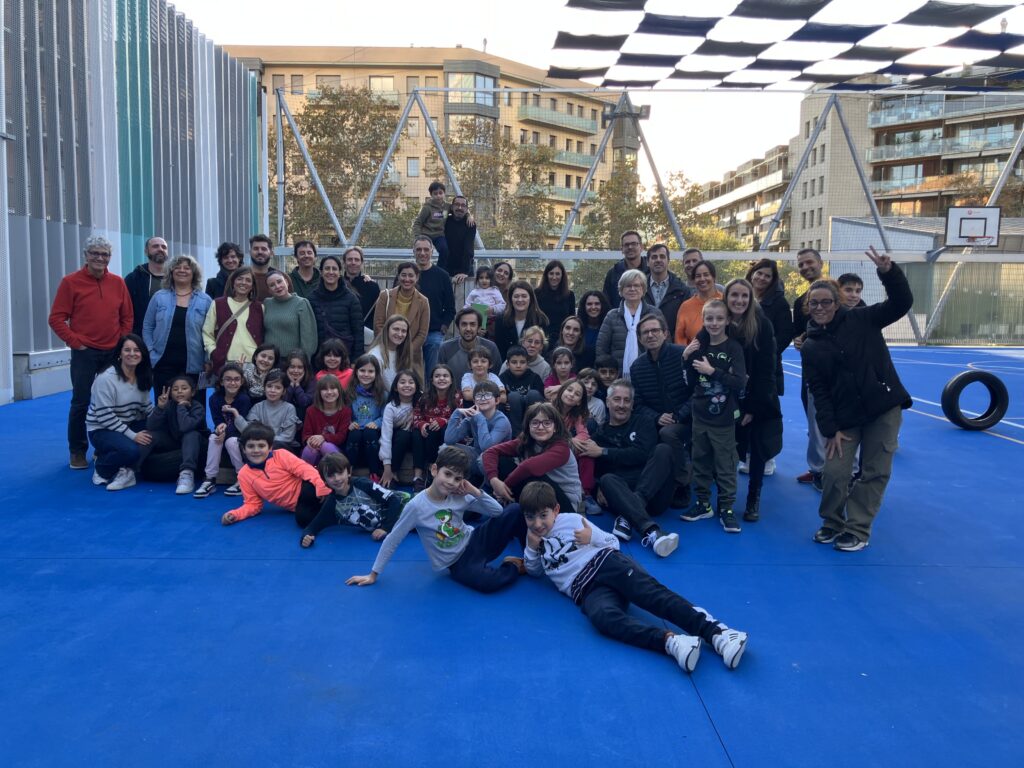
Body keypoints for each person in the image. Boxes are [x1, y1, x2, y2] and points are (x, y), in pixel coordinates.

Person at [520, 481, 748, 672]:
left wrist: (592, 537)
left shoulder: (571, 521)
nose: (537, 524)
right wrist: (531, 547)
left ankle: (718, 633)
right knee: (603, 618)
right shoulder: (533, 539)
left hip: (606, 564)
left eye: (543, 515)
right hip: (587, 590)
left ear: (556, 510)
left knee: (653, 596)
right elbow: (534, 570)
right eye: (530, 517)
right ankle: (672, 642)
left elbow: (612, 542)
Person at [801, 246, 913, 552]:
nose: (820, 307)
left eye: (826, 301)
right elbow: (819, 390)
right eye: (814, 303)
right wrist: (830, 429)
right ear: (808, 307)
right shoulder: (811, 346)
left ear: (837, 303)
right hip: (846, 417)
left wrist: (889, 273)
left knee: (874, 471)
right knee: (835, 472)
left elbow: (901, 303)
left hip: (883, 408)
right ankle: (832, 521)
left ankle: (857, 528)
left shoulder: (863, 318)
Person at [345, 445, 526, 593]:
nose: (451, 482)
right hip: (458, 562)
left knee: (516, 510)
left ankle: (531, 555)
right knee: (489, 583)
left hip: (475, 539)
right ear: (434, 470)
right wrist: (373, 574)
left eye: (457, 479)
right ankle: (513, 565)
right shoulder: (416, 506)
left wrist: (474, 491)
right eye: (447, 474)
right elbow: (393, 539)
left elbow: (497, 511)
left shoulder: (459, 495)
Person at [49, 236, 133, 469]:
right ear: (86, 255)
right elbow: (56, 318)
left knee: (113, 401)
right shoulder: (70, 282)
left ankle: (104, 447)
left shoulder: (118, 283)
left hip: (112, 352)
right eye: (95, 253)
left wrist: (121, 341)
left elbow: (127, 316)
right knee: (81, 402)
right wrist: (76, 342)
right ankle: (77, 451)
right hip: (85, 352)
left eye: (104, 254)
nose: (100, 258)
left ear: (109, 258)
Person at [573, 379, 678, 555]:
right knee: (607, 479)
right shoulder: (599, 434)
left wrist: (604, 452)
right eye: (617, 399)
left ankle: (629, 516)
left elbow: (642, 454)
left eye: (626, 400)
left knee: (663, 450)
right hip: (621, 496)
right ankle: (652, 532)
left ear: (632, 403)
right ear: (608, 402)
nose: (621, 405)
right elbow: (594, 470)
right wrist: (599, 486)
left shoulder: (644, 422)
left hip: (653, 493)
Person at [679, 300, 748, 534]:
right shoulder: (699, 346)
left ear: (727, 320)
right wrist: (685, 358)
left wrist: (713, 372)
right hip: (700, 416)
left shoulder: (733, 348)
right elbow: (689, 381)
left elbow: (739, 382)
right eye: (709, 318)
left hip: (723, 420)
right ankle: (703, 503)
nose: (714, 323)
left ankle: (726, 508)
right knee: (700, 461)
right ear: (703, 319)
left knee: (725, 465)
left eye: (719, 318)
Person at [722, 278, 782, 523]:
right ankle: (726, 497)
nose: (739, 300)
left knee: (757, 450)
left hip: (758, 398)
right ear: (726, 297)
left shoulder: (762, 325)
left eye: (744, 296)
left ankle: (753, 497)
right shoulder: (720, 323)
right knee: (729, 448)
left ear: (750, 299)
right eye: (734, 295)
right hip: (729, 398)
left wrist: (752, 408)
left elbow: (767, 369)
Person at [630, 312, 692, 509]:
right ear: (640, 338)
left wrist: (679, 415)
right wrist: (657, 417)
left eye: (655, 330)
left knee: (668, 434)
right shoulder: (637, 367)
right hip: (657, 421)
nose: (650, 335)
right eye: (645, 332)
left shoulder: (682, 355)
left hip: (689, 419)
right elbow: (638, 404)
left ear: (665, 333)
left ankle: (682, 482)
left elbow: (698, 392)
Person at [221, 422, 331, 527]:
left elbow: (306, 470)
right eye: (250, 446)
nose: (256, 450)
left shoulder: (281, 455)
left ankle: (334, 501)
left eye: (261, 446)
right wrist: (236, 514)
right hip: (298, 504)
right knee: (303, 521)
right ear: (244, 449)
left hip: (308, 487)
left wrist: (321, 486)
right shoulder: (244, 475)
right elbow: (253, 504)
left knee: (320, 492)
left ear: (270, 448)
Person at [482, 401, 583, 515]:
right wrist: (494, 480)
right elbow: (490, 452)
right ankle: (507, 501)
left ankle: (505, 498)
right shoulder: (526, 441)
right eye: (535, 423)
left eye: (547, 423)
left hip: (564, 504)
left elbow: (528, 467)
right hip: (539, 492)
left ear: (555, 427)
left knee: (532, 475)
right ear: (528, 426)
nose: (540, 427)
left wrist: (504, 486)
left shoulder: (562, 448)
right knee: (502, 462)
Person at [85, 334, 154, 491]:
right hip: (101, 429)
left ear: (142, 354)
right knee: (130, 451)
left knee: (155, 434)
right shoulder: (106, 378)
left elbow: (145, 408)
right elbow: (104, 416)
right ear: (120, 354)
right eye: (127, 350)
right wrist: (133, 436)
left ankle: (120, 461)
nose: (132, 354)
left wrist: (160, 412)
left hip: (127, 423)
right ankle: (102, 468)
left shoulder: (143, 376)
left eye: (137, 350)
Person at [300, 453, 408, 548]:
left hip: (407, 506)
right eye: (331, 476)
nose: (337, 479)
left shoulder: (362, 484)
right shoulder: (332, 503)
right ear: (324, 480)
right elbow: (313, 527)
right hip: (402, 525)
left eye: (340, 473)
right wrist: (306, 538)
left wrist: (385, 528)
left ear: (349, 472)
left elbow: (395, 500)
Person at [143, 254, 212, 400]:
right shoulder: (159, 297)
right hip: (162, 363)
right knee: (164, 406)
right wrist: (150, 351)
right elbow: (148, 326)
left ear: (194, 273)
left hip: (194, 365)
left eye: (187, 268)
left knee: (194, 408)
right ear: (171, 272)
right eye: (177, 267)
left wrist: (207, 359)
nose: (182, 270)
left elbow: (210, 333)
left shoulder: (205, 301)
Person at [792, 247, 826, 487]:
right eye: (801, 264)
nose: (805, 267)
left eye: (809, 262)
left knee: (837, 423)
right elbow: (799, 334)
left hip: (836, 371)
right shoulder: (800, 302)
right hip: (810, 371)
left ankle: (846, 472)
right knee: (813, 421)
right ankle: (818, 470)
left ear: (820, 263)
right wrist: (798, 340)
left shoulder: (839, 293)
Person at [194, 362, 251, 499]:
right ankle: (210, 479)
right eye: (228, 379)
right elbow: (217, 418)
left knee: (231, 442)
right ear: (221, 381)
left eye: (236, 379)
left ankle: (242, 477)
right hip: (225, 432)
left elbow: (240, 423)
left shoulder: (244, 399)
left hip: (239, 433)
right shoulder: (214, 398)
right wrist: (219, 427)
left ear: (242, 381)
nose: (232, 383)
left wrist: (226, 433)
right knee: (213, 438)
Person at [145, 374, 207, 495]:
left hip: (197, 446)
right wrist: (160, 408)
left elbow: (185, 427)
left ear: (193, 392)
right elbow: (151, 427)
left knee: (191, 434)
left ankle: (187, 473)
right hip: (175, 443)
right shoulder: (168, 405)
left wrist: (181, 407)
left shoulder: (197, 407)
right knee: (148, 435)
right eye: (175, 389)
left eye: (184, 388)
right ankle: (130, 469)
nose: (179, 391)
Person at [202, 265, 263, 374]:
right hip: (225, 362)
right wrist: (213, 352)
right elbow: (207, 332)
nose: (243, 282)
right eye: (240, 279)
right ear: (233, 282)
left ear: (252, 285)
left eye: (248, 280)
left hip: (253, 364)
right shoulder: (217, 304)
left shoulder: (259, 308)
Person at [444, 380, 512, 477]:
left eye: (487, 395)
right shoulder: (473, 416)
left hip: (498, 462)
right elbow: (449, 439)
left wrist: (480, 419)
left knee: (484, 457)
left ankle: (489, 485)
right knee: (445, 448)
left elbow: (486, 447)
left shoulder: (502, 421)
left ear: (497, 400)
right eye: (479, 396)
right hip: (477, 455)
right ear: (474, 401)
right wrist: (457, 412)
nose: (482, 399)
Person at [747, 258, 793, 399]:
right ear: (752, 273)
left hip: (767, 365)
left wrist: (766, 353)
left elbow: (785, 335)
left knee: (765, 404)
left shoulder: (780, 303)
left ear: (773, 280)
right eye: (759, 273)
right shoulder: (741, 297)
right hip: (743, 362)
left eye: (767, 276)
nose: (762, 278)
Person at [373, 261, 429, 377]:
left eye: (411, 275)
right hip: (385, 353)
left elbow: (422, 333)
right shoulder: (385, 296)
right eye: (403, 275)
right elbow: (378, 325)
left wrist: (406, 351)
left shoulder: (423, 301)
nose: (407, 279)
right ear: (398, 276)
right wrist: (388, 348)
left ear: (417, 277)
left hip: (411, 356)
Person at [596, 269, 656, 376]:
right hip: (617, 376)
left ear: (643, 289)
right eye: (628, 286)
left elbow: (664, 344)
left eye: (636, 285)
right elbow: (601, 349)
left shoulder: (654, 313)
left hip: (649, 373)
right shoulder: (612, 316)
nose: (632, 289)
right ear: (621, 290)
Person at [410, 236, 455, 376]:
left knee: (433, 374)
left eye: (426, 249)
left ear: (432, 251)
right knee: (410, 375)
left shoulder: (442, 276)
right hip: (409, 332)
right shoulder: (406, 275)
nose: (422, 253)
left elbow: (450, 308)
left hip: (434, 332)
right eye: (419, 249)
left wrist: (443, 327)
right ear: (413, 251)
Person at [412, 364, 461, 492]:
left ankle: (437, 470)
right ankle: (420, 476)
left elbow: (461, 419)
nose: (441, 378)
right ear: (432, 381)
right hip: (428, 435)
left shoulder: (457, 397)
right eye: (437, 376)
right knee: (418, 432)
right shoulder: (425, 397)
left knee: (441, 429)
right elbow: (416, 416)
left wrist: (444, 421)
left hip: (447, 435)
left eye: (445, 376)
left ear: (451, 380)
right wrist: (422, 424)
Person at [309, 254, 364, 358]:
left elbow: (358, 332)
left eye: (334, 269)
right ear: (321, 272)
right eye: (327, 268)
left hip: (344, 356)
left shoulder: (351, 299)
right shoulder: (312, 298)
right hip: (320, 357)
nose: (331, 272)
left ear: (339, 273)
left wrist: (356, 360)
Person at [232, 369, 300, 451]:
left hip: (281, 447)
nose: (272, 390)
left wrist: (265, 441)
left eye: (278, 388)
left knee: (273, 446)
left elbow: (288, 437)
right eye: (269, 386)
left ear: (283, 391)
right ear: (264, 388)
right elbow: (248, 431)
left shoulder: (289, 408)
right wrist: (236, 414)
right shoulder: (258, 407)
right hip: (259, 446)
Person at [344, 354, 387, 475]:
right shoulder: (349, 393)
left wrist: (377, 423)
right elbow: (345, 414)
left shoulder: (382, 394)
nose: (366, 374)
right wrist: (350, 423)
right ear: (356, 372)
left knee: (370, 432)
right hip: (355, 434)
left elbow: (386, 416)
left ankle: (374, 473)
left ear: (376, 373)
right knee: (355, 434)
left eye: (370, 371)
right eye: (362, 370)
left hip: (373, 436)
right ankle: (348, 472)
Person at [378, 370, 421, 488]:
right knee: (403, 434)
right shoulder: (391, 407)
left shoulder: (422, 401)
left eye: (411, 382)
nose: (407, 385)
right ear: (395, 388)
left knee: (417, 433)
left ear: (416, 386)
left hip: (417, 439)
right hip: (398, 440)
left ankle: (418, 477)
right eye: (402, 382)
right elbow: (386, 436)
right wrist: (387, 467)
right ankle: (393, 473)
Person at [263, 271, 318, 362]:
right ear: (269, 290)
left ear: (286, 282)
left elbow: (308, 337)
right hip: (269, 359)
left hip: (291, 360)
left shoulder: (301, 303)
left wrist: (304, 360)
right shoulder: (267, 303)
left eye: (279, 281)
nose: (277, 286)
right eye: (272, 285)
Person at [437, 307, 500, 385]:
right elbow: (440, 377)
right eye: (464, 324)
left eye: (472, 324)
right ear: (458, 327)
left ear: (479, 328)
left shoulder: (490, 347)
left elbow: (496, 376)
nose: (468, 329)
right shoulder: (446, 348)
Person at [300, 373, 352, 467]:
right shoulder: (311, 411)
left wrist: (323, 438)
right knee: (310, 449)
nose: (329, 392)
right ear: (319, 392)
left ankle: (337, 472)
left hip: (336, 450)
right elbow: (306, 434)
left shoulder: (345, 411)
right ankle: (307, 474)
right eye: (325, 389)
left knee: (325, 446)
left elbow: (341, 437)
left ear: (339, 390)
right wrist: (310, 440)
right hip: (315, 448)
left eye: (333, 388)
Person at [645, 243, 691, 340]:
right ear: (647, 262)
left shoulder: (682, 290)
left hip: (672, 344)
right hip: (644, 343)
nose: (658, 260)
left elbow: (685, 323)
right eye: (654, 257)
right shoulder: (639, 288)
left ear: (668, 261)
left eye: (662, 256)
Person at [124, 236, 169, 336]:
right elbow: (125, 311)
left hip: (170, 338)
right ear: (146, 251)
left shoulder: (176, 278)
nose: (160, 249)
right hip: (140, 337)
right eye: (155, 246)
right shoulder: (133, 279)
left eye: (164, 247)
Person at [494, 281, 548, 360]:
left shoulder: (540, 320)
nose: (520, 299)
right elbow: (500, 350)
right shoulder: (501, 320)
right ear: (511, 299)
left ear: (530, 298)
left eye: (524, 296)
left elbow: (543, 349)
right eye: (516, 296)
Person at [675, 260, 723, 346]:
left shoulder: (724, 301)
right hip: (695, 353)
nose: (702, 279)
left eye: (706, 275)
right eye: (698, 276)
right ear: (694, 280)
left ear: (714, 277)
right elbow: (680, 338)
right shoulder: (686, 307)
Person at [499, 345, 544, 436]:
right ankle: (517, 436)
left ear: (527, 364)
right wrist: (507, 402)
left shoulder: (535, 378)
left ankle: (533, 432)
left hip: (531, 412)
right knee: (513, 396)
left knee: (533, 394)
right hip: (512, 416)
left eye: (522, 362)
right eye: (514, 362)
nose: (518, 366)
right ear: (507, 364)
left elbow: (541, 399)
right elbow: (499, 399)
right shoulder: (502, 378)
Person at [368, 314, 416, 388]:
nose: (400, 334)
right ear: (387, 330)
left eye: (403, 331)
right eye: (396, 329)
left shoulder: (403, 352)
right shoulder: (375, 355)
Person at [412, 180, 453, 266]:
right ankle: (421, 268)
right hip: (427, 235)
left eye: (440, 193)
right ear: (431, 195)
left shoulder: (447, 207)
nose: (438, 196)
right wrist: (418, 237)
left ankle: (440, 269)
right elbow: (418, 223)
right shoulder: (427, 208)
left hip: (439, 235)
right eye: (435, 194)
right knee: (424, 252)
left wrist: (468, 216)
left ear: (444, 193)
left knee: (445, 250)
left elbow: (459, 209)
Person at [602, 230, 649, 304]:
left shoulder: (651, 271)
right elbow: (606, 302)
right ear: (622, 249)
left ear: (641, 247)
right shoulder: (613, 273)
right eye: (626, 245)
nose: (630, 247)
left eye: (634, 244)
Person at [342, 245, 381, 333]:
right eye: (350, 259)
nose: (353, 262)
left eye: (357, 260)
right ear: (344, 262)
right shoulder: (337, 285)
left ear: (362, 263)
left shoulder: (372, 287)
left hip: (364, 334)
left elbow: (377, 316)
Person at [535, 259, 576, 339]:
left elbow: (571, 319)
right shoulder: (537, 293)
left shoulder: (570, 295)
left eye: (557, 274)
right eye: (551, 273)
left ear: (562, 276)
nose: (554, 277)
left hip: (562, 339)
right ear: (546, 275)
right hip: (541, 338)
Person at [442, 194, 476, 281]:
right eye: (457, 204)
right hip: (447, 267)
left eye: (463, 205)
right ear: (452, 207)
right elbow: (434, 216)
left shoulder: (470, 224)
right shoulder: (445, 220)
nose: (460, 207)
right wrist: (468, 214)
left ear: (466, 209)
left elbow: (468, 249)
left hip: (465, 269)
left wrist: (464, 271)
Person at [463, 266, 505, 333]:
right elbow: (466, 306)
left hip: (492, 321)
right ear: (477, 279)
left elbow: (503, 305)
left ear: (491, 279)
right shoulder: (474, 292)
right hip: (476, 321)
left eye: (487, 278)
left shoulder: (494, 290)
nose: (484, 280)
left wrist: (493, 309)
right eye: (481, 278)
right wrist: (470, 309)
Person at [577, 290, 610, 369]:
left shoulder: (609, 327)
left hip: (604, 370)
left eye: (597, 304)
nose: (593, 307)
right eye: (589, 304)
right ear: (584, 306)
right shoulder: (577, 327)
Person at [282, 351, 315, 424]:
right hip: (284, 419)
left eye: (300, 367)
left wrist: (297, 385)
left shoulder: (311, 381)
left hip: (304, 419)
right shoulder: (281, 379)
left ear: (305, 369)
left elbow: (304, 402)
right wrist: (291, 385)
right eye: (292, 367)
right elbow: (283, 403)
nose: (296, 371)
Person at [247, 234, 277, 301]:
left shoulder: (281, 278)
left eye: (264, 249)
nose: (260, 252)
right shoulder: (238, 278)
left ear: (271, 253)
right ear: (250, 252)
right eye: (256, 249)